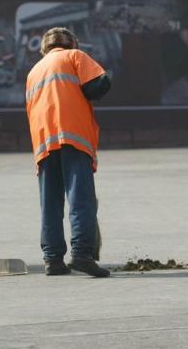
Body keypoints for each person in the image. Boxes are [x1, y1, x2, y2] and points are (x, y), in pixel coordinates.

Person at [25, 27, 111, 277]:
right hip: (72, 137)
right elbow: (100, 84)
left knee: (50, 203)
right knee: (80, 198)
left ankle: (53, 259)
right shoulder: (75, 57)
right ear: (72, 43)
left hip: (43, 142)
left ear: (44, 48)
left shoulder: (34, 71)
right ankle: (82, 254)